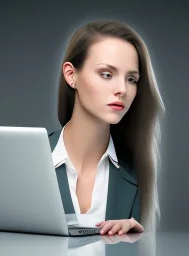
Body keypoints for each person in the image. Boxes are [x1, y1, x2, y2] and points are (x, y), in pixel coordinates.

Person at [48, 19, 165, 236]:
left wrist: (137, 238)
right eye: (107, 74)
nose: (122, 89)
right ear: (71, 75)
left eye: (131, 79)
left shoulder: (139, 173)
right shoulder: (28, 161)